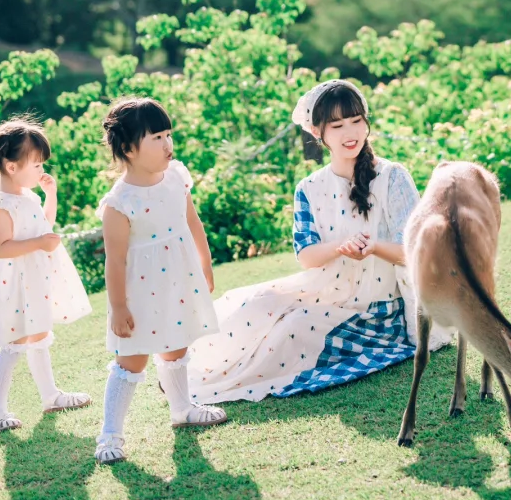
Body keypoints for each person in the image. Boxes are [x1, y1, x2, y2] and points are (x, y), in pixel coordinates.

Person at [188, 80, 449, 405]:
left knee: (295, 328)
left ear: (367, 122)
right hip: (327, 292)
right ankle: (195, 371)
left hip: (381, 312)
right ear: (317, 131)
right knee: (257, 304)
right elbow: (307, 256)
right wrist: (341, 245)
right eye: (337, 125)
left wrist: (373, 247)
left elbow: (414, 254)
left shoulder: (392, 177)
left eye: (356, 121)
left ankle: (216, 383)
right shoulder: (309, 187)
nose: (349, 132)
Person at [94, 96, 226, 465]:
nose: (168, 144)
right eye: (157, 137)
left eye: (169, 135)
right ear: (128, 149)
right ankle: (110, 434)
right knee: (130, 362)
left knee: (177, 345)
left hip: (178, 280)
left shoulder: (176, 177)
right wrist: (119, 307)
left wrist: (205, 262)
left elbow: (192, 221)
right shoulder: (119, 203)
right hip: (139, 292)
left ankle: (182, 408)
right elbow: (116, 261)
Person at [0, 118, 92, 431]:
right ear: (11, 166)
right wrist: (39, 244)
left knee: (40, 334)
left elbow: (42, 226)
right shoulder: (3, 203)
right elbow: (2, 248)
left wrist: (51, 198)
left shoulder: (27, 197)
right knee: (14, 341)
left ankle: (51, 395)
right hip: (15, 282)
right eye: (36, 164)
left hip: (34, 278)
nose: (41, 170)